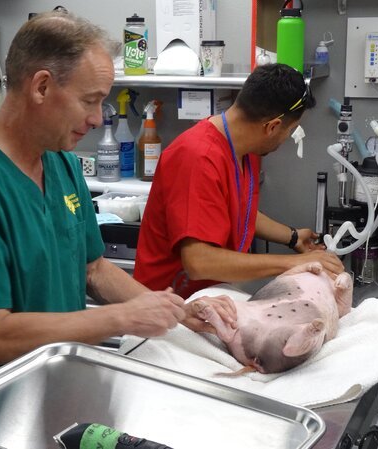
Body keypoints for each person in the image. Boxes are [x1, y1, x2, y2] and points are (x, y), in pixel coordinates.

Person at [0, 12, 233, 449]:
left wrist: (175, 311)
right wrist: (120, 319)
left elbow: (94, 269)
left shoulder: (59, 161)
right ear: (41, 86)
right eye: (90, 100)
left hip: (46, 408)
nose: (99, 118)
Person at [134, 63, 345, 299]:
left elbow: (234, 210)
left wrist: (292, 236)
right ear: (272, 126)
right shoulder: (198, 158)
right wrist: (297, 263)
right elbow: (198, 262)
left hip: (212, 298)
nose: (287, 138)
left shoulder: (245, 149)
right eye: (291, 130)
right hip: (169, 307)